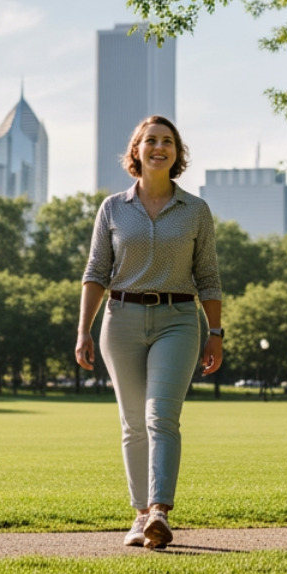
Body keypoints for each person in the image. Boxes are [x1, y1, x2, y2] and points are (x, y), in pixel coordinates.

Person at [75, 115, 223, 549]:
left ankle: (159, 511)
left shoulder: (195, 211)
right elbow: (96, 271)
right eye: (151, 141)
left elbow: (208, 277)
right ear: (136, 151)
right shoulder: (113, 208)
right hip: (119, 319)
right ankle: (139, 517)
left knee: (161, 416)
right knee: (132, 423)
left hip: (177, 319)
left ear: (177, 154)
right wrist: (84, 329)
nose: (159, 147)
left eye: (168, 142)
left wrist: (215, 332)